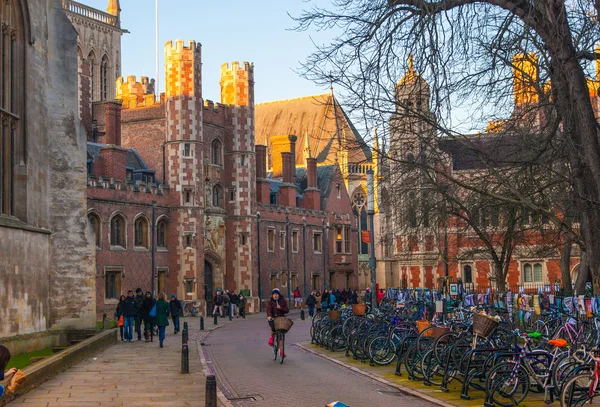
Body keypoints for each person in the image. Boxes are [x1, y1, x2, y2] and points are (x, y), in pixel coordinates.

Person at [266, 288, 289, 358]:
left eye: (276, 294)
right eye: (274, 294)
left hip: (281, 318)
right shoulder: (271, 302)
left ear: (279, 295)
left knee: (281, 335)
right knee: (273, 328)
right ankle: (272, 338)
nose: (275, 296)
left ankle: (281, 351)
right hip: (273, 318)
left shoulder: (283, 301)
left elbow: (287, 310)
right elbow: (268, 310)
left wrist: (281, 308)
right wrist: (269, 316)